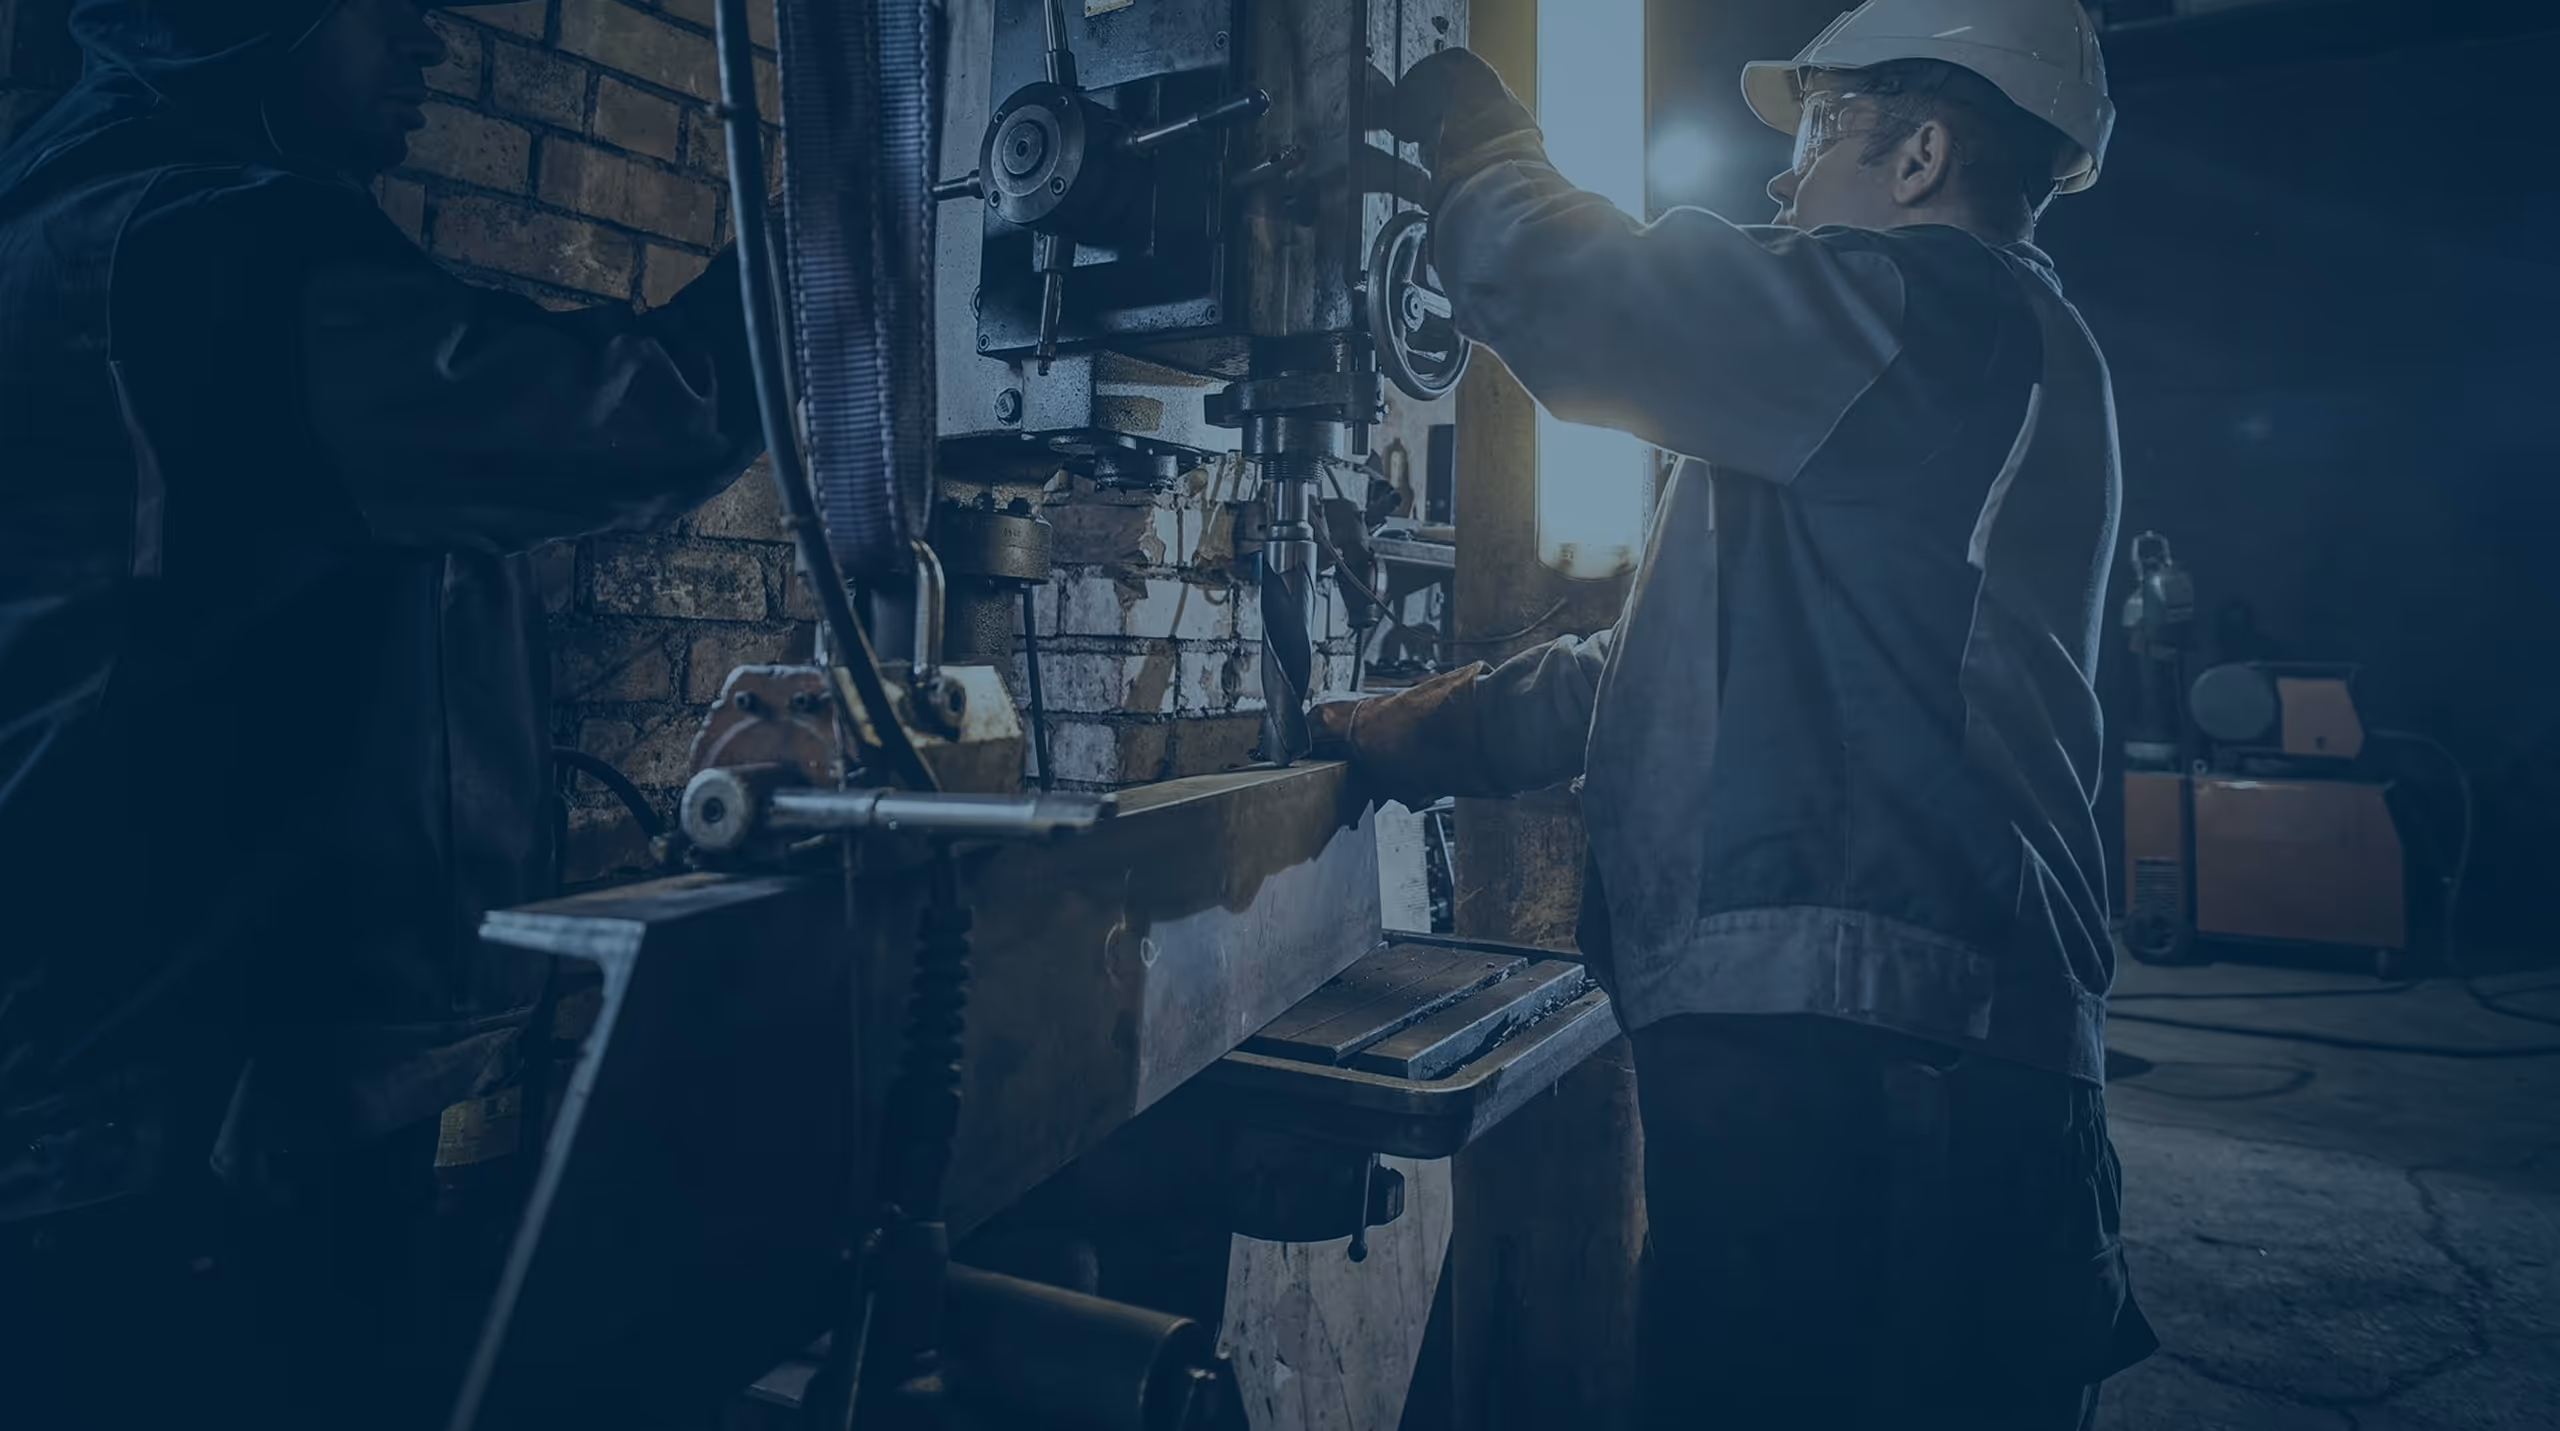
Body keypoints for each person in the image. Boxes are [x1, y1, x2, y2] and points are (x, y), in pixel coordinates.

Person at [1324, 1, 2158, 1425]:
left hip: (1898, 1058)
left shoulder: (1945, 313)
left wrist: (1482, 149)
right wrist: (1450, 724)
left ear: (1922, 154)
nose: (1786, 178)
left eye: (1823, 129)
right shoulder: (1906, 393)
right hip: (1862, 1056)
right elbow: (1680, 664)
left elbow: (1600, 303)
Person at [0, 0, 766, 1423]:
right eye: (374, 8)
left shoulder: (71, 222)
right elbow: (624, 420)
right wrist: (835, 237)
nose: (428, 42)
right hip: (172, 1134)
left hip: (130, 1095)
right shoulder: (193, 254)